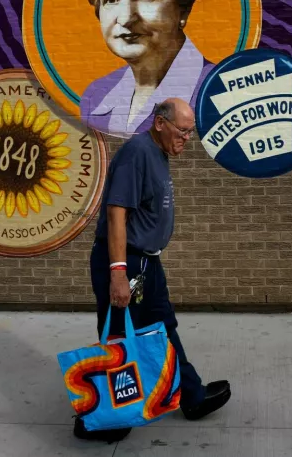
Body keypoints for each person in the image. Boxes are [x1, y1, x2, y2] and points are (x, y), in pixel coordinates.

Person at [74, 97, 231, 443]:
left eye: (191, 133)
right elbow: (117, 214)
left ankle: (191, 396)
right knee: (118, 335)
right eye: (183, 131)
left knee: (162, 327)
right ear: (160, 123)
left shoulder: (157, 154)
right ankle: (100, 420)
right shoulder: (137, 153)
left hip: (146, 261)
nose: (187, 139)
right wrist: (117, 272)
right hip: (124, 260)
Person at [79, 0, 216, 138]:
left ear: (183, 8)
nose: (125, 18)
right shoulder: (96, 97)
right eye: (111, 0)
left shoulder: (220, 93)